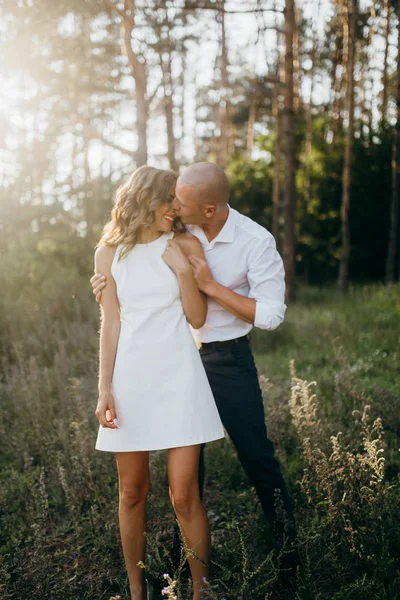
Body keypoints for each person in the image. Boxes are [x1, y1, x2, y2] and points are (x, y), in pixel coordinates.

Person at [91, 162, 298, 578]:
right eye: (172, 199)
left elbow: (272, 314)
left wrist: (209, 285)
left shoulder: (253, 241)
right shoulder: (171, 231)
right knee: (186, 477)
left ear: (208, 210)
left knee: (256, 455)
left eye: (181, 202)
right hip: (176, 357)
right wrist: (108, 293)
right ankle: (182, 566)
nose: (175, 207)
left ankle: (288, 550)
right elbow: (129, 290)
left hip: (226, 358)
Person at [93, 165, 225, 600]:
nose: (176, 207)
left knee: (184, 494)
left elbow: (198, 318)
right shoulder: (108, 254)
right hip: (130, 380)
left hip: (180, 378)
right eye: (170, 198)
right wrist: (104, 389)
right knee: (132, 492)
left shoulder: (184, 243)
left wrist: (184, 272)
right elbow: (110, 323)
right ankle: (137, 591)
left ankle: (200, 592)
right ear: (145, 199)